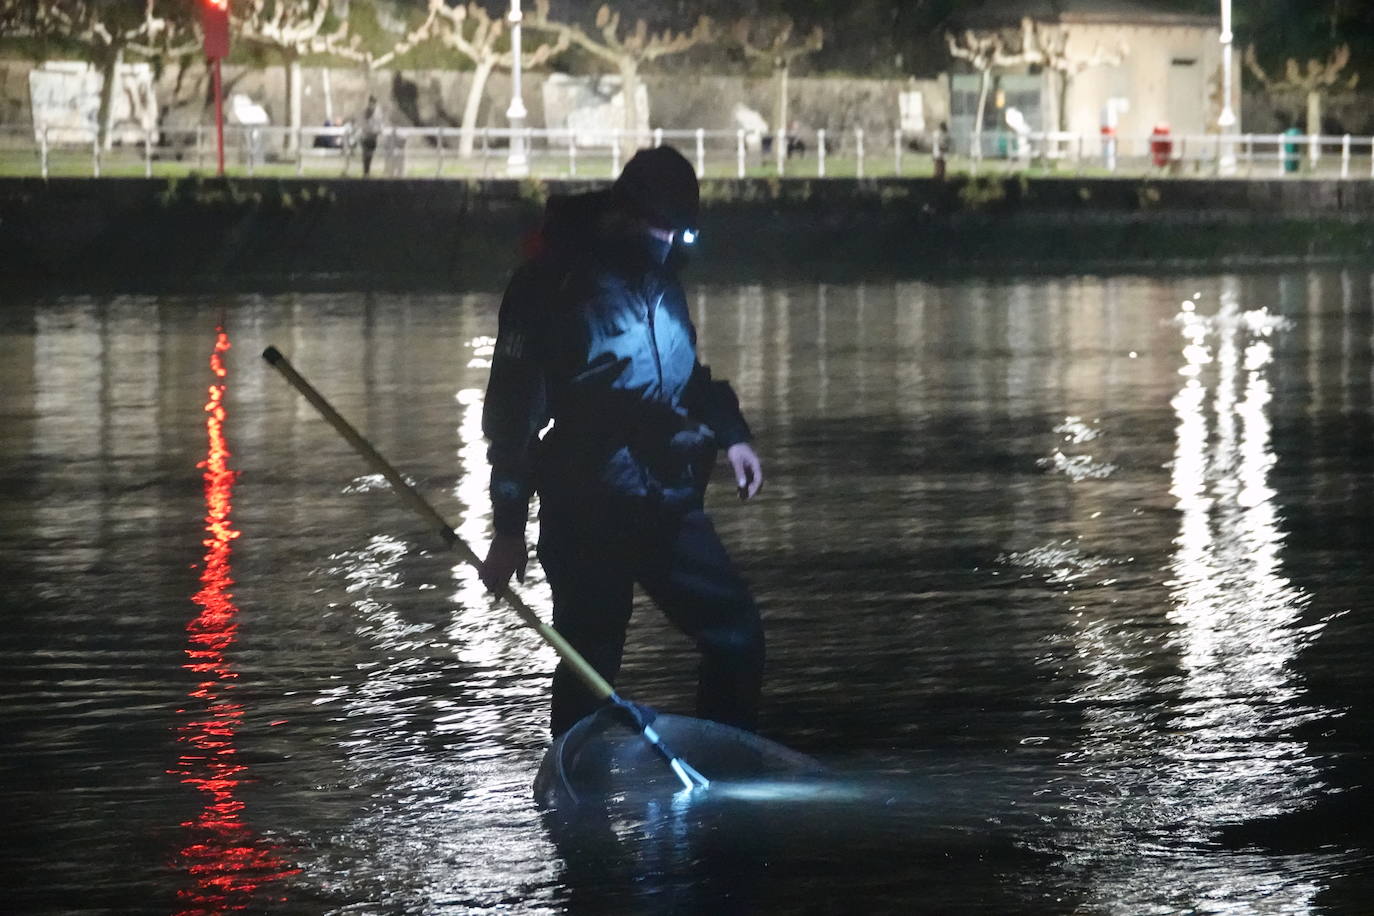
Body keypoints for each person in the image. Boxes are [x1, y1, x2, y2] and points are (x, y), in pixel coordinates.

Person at [480, 145, 766, 738]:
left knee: (737, 635)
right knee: (590, 658)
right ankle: (575, 781)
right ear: (627, 215)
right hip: (587, 506)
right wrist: (508, 528)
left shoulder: (660, 278)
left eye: (681, 234)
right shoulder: (549, 286)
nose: (671, 245)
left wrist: (734, 436)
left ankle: (725, 758)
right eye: (664, 230)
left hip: (667, 500)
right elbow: (512, 417)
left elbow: (686, 379)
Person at [359, 96, 382, 177]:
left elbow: (379, 124)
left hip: (373, 137)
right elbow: (364, 124)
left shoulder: (377, 112)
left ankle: (367, 172)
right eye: (371, 103)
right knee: (366, 155)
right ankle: (366, 172)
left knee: (370, 155)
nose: (373, 105)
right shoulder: (366, 112)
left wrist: (379, 130)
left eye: (374, 103)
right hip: (366, 137)